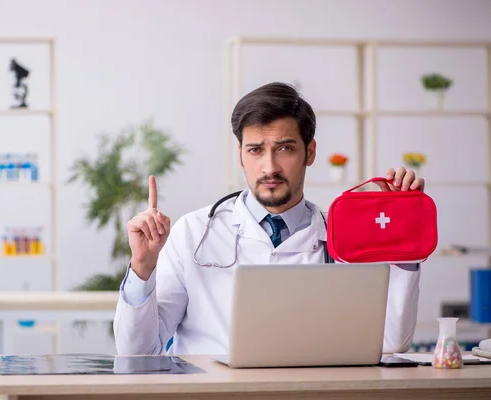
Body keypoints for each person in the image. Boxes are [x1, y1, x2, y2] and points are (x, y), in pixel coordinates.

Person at [114, 82, 423, 356]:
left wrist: (401, 236)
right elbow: (139, 351)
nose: (269, 166)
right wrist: (142, 267)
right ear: (240, 155)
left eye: (285, 148)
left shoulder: (344, 236)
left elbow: (391, 342)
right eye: (256, 150)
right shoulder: (193, 232)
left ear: (310, 152)